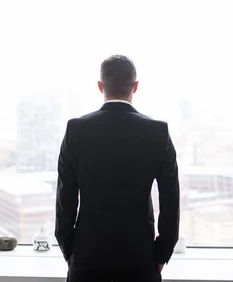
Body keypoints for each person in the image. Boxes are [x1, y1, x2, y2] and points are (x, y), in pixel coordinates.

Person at [55, 55, 180, 282]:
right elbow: (171, 200)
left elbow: (65, 202)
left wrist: (71, 251)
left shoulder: (76, 130)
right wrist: (161, 254)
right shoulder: (157, 132)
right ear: (136, 86)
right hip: (140, 261)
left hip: (87, 261)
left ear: (100, 86)